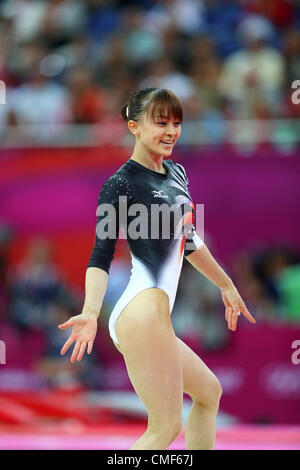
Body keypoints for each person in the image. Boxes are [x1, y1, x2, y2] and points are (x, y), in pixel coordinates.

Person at [58, 87, 256, 450]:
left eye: (176, 123)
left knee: (208, 393)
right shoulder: (120, 183)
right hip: (142, 310)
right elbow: (101, 254)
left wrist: (225, 284)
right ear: (134, 126)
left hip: (155, 313)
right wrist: (89, 311)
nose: (171, 131)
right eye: (160, 122)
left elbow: (189, 240)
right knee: (163, 428)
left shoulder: (178, 172)